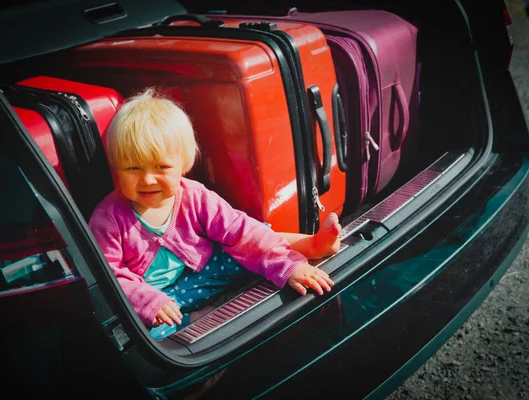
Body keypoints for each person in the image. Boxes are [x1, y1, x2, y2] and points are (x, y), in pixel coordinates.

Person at [89, 88, 341, 339]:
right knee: (139, 336)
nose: (147, 179)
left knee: (254, 237)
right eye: (132, 168)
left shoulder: (195, 196)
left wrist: (287, 267)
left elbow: (240, 232)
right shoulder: (108, 218)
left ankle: (311, 246)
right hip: (157, 302)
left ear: (183, 164)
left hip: (205, 273)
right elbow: (108, 275)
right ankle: (192, 320)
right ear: (115, 168)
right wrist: (147, 302)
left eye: (161, 167)